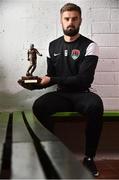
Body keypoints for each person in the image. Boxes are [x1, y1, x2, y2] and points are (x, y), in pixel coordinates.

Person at [19, 3, 104, 177]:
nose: (70, 22)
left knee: (96, 106)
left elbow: (84, 79)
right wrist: (34, 84)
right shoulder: (52, 46)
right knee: (40, 105)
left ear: (80, 20)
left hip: (83, 95)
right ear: (61, 21)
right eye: (67, 19)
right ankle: (51, 153)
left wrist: (53, 79)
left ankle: (89, 158)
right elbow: (50, 77)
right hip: (61, 95)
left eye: (74, 18)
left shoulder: (90, 45)